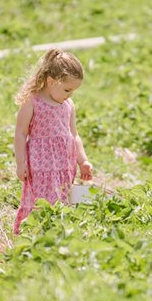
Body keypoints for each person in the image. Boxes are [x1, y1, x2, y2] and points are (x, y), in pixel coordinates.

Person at [13, 48, 93, 235]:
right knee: (41, 200)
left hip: (64, 164)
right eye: (67, 89)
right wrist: (20, 163)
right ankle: (33, 234)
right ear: (50, 81)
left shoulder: (68, 105)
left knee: (63, 198)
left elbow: (74, 135)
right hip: (40, 165)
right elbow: (20, 133)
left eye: (73, 90)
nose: (70, 94)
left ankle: (57, 234)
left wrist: (83, 161)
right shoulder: (32, 101)